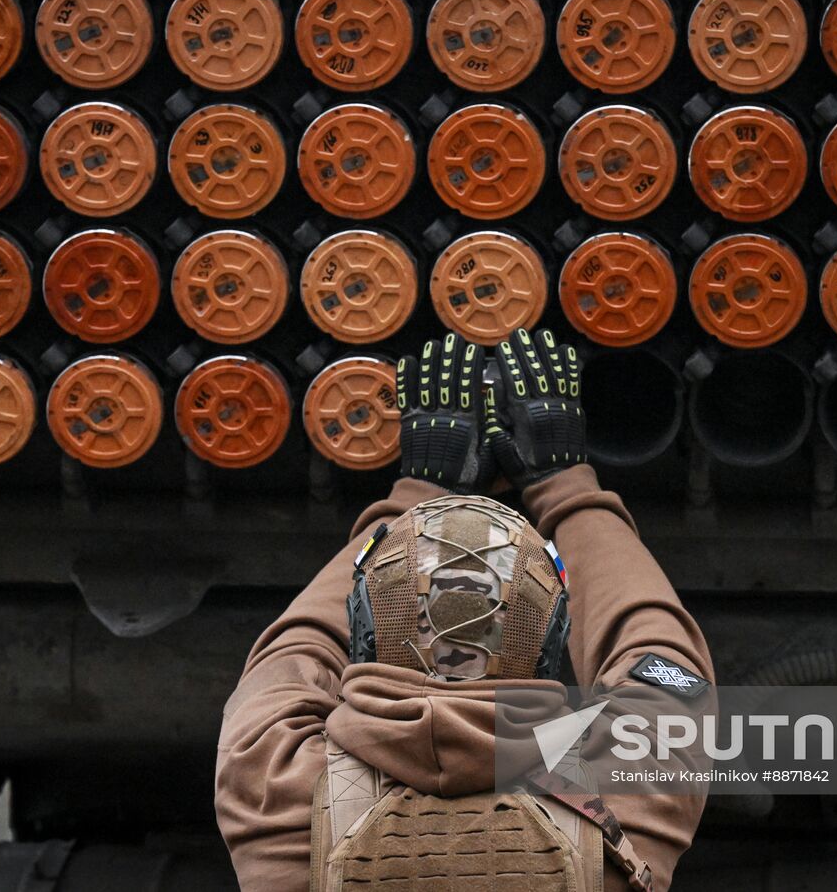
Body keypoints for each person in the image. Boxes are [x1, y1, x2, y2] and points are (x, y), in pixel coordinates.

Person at [215, 328, 713, 891]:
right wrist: (564, 486)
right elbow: (670, 666)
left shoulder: (277, 787)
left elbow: (290, 656)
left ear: (363, 634)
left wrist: (418, 493)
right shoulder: (623, 786)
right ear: (553, 645)